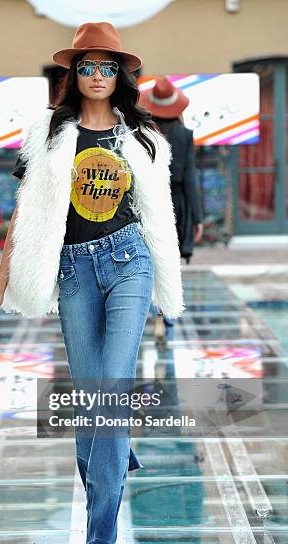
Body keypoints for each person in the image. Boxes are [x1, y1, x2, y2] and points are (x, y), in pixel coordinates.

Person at [0, 22, 184, 544]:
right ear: (75, 74)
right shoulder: (47, 133)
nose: (96, 76)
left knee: (111, 394)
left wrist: (169, 280)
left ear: (121, 76)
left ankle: (100, 538)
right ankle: (116, 457)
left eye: (107, 67)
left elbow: (158, 214)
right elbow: (25, 214)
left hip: (129, 262)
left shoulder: (143, 138)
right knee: (94, 400)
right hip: (73, 269)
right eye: (87, 66)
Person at [139, 76, 203, 346]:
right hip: (177, 203)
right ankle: (168, 321)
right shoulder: (185, 135)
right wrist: (197, 219)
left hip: (150, 201)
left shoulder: (143, 132)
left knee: (150, 262)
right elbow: (190, 179)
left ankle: (154, 315)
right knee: (170, 265)